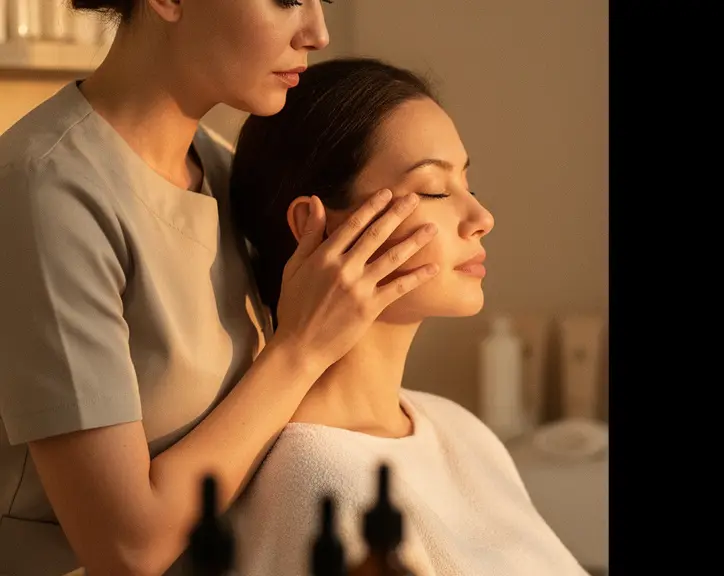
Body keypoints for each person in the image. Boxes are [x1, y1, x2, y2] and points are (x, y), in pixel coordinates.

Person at [0, 1, 441, 575]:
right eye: (286, 0)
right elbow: (124, 549)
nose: (317, 33)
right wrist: (301, 349)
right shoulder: (45, 194)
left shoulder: (221, 169)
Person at [227, 57, 589, 576]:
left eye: (469, 183)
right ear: (315, 226)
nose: (481, 219)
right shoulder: (316, 481)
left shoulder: (457, 429)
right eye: (435, 190)